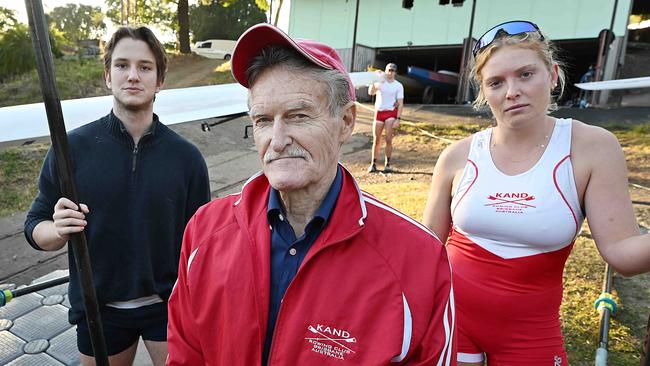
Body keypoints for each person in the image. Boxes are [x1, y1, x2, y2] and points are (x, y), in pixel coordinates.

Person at [167, 23, 455, 365]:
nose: (277, 139)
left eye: (298, 116)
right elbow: (186, 355)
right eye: (262, 120)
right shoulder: (205, 230)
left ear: (346, 122)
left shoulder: (417, 258)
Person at [422, 20, 650, 366]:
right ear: (484, 92)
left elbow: (622, 253)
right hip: (453, 323)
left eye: (526, 74)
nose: (512, 90)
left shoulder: (592, 147)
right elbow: (425, 252)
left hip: (530, 334)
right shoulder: (456, 155)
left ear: (553, 74)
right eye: (496, 82)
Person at [24, 26, 210, 366]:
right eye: (122, 65)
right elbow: (36, 226)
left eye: (145, 67)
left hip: (169, 306)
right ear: (108, 76)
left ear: (160, 80)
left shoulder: (186, 158)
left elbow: (203, 244)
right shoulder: (71, 150)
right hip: (99, 310)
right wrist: (58, 229)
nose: (133, 76)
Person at [368, 62, 404, 173]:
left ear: (395, 73)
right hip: (379, 112)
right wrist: (374, 84)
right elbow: (371, 93)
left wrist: (398, 119)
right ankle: (373, 164)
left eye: (392, 71)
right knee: (376, 139)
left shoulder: (398, 85)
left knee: (388, 139)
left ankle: (387, 164)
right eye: (389, 70)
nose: (390, 73)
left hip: (390, 113)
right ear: (385, 71)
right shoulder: (380, 82)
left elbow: (400, 103)